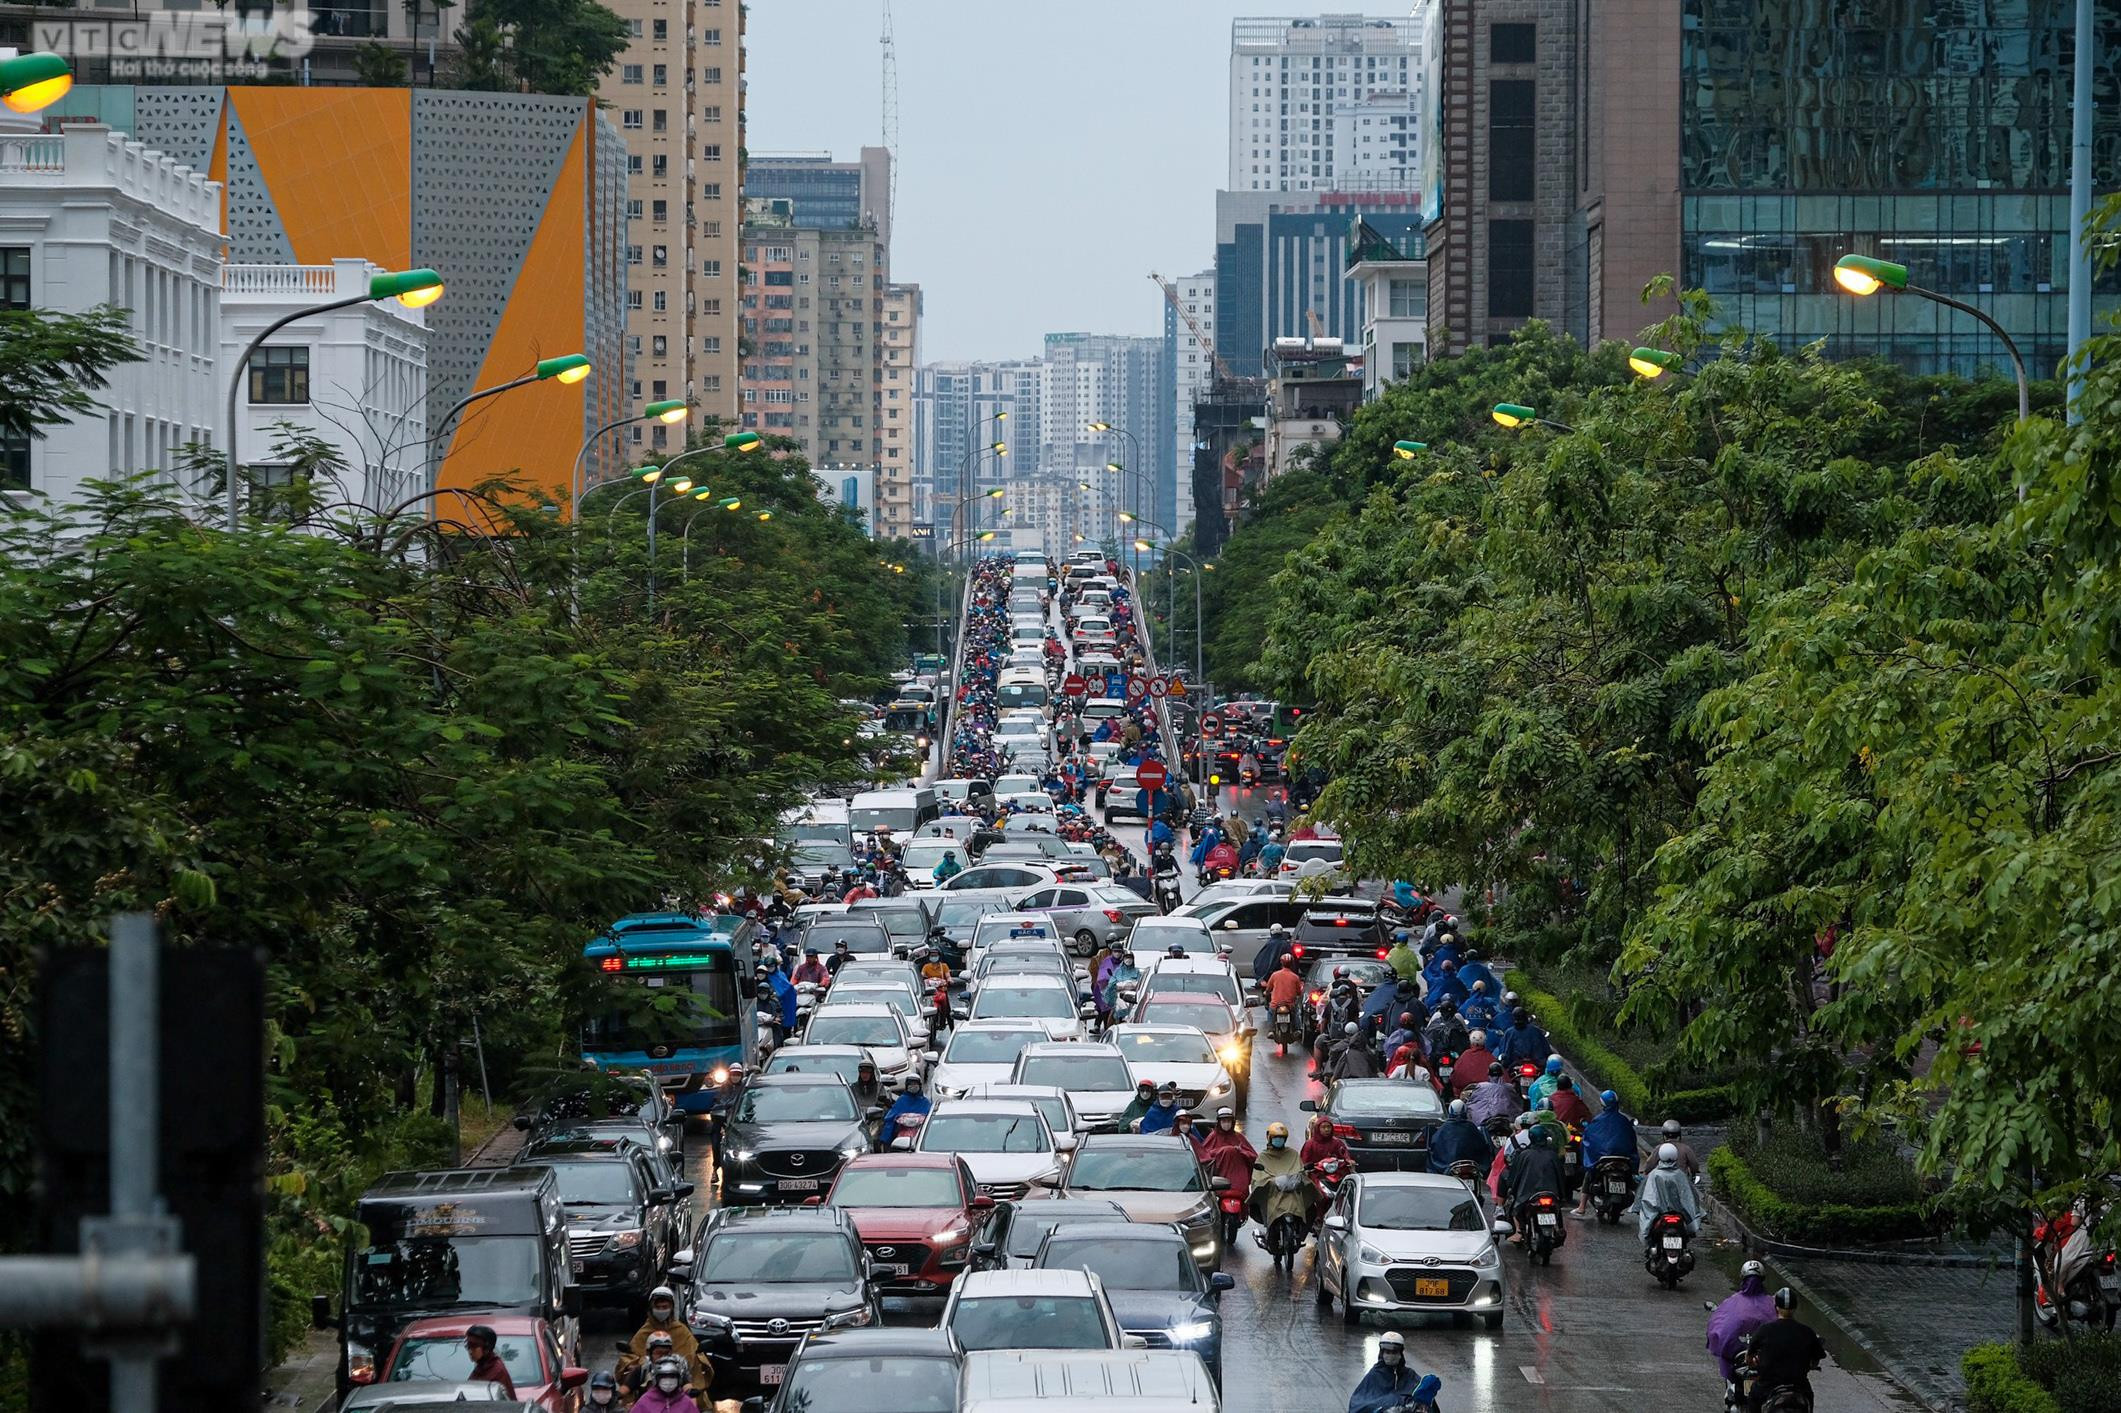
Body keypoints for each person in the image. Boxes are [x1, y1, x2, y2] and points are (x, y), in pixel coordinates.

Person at [1746, 1288, 1827, 1412]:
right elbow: (1816, 1359)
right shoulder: (1807, 1332)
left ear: (1776, 1307)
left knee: (1753, 1397)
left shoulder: (1764, 1330)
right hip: (1799, 1387)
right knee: (1808, 1398)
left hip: (1768, 1387)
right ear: (1794, 1308)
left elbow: (1749, 1356)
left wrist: (1752, 1364)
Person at [1707, 1261, 1778, 1387]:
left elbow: (1719, 1326)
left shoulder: (1732, 1303)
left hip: (1743, 1354)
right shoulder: (1771, 1303)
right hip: (1761, 1358)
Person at [1577, 1088, 1638, 1215]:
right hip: (1623, 1159)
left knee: (1589, 1175)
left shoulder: (1598, 1121)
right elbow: (1632, 1141)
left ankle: (1581, 1207)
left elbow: (1589, 1140)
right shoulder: (1624, 1121)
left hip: (1603, 1159)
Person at [1636, 1141, 1704, 1243]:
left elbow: (1644, 1195)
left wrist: (1638, 1206)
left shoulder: (1654, 1174)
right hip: (1678, 1212)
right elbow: (1690, 1196)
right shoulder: (1680, 1174)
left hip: (1658, 1212)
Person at [1250, 1120, 1308, 1230]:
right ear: (1270, 1138)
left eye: (1281, 1138)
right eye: (1276, 1138)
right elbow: (1258, 1177)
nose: (1279, 1140)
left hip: (1291, 1192)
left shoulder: (1292, 1154)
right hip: (1273, 1193)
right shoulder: (1263, 1157)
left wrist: (1301, 1177)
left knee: (1308, 1207)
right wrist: (1269, 1182)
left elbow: (1300, 1170)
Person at [1347, 1331, 1423, 1413]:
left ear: (1400, 1353)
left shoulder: (1409, 1374)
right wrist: (1386, 1406)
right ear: (1382, 1353)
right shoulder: (1375, 1374)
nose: (1390, 1355)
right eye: (1387, 1352)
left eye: (1394, 1352)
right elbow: (1359, 1403)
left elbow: (1423, 1394)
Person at [1198, 1107, 1257, 1198]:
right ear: (1219, 1122)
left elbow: (1253, 1156)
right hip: (1219, 1179)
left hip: (1239, 1180)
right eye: (1224, 1121)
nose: (1226, 1124)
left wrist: (1241, 1152)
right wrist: (1224, 1151)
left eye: (1228, 1121)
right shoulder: (1213, 1137)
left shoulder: (1238, 1137)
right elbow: (1204, 1156)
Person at [1427, 1097, 1495, 1174]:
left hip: (1446, 1167)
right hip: (1472, 1167)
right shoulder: (1471, 1127)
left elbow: (1434, 1147)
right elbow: (1483, 1145)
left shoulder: (1443, 1129)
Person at [1465, 1060, 1524, 1129]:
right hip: (1506, 1122)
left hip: (1485, 1122)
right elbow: (1517, 1103)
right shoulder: (1509, 1087)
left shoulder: (1481, 1086)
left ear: (1488, 1074)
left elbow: (1472, 1102)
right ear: (1502, 1074)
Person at [631, 1357, 699, 1413]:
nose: (668, 1381)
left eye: (672, 1376)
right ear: (656, 1379)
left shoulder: (686, 1402)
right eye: (664, 1377)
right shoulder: (645, 1401)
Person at [463, 1324, 515, 1398]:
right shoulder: (481, 1368)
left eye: (474, 1346)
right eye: (468, 1346)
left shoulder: (497, 1371)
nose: (470, 1351)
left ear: (486, 1348)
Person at [879, 1076, 930, 1146]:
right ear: (906, 1086)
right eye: (910, 1084)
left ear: (920, 1085)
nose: (913, 1086)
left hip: (921, 1134)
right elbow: (891, 1117)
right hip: (901, 1132)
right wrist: (885, 1140)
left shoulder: (925, 1102)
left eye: (915, 1084)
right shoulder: (901, 1100)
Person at [1454, 1028, 1498, 1095]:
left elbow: (1455, 1077)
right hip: (1486, 1094)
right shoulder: (1490, 1057)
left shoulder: (1465, 1055)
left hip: (1468, 1094)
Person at [1101, 949, 1141, 1015]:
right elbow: (1111, 984)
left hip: (1133, 997)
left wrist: (1126, 984)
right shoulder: (1118, 971)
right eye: (1126, 958)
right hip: (1119, 996)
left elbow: (1140, 984)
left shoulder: (1137, 971)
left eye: (1130, 958)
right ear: (1123, 959)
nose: (1128, 960)